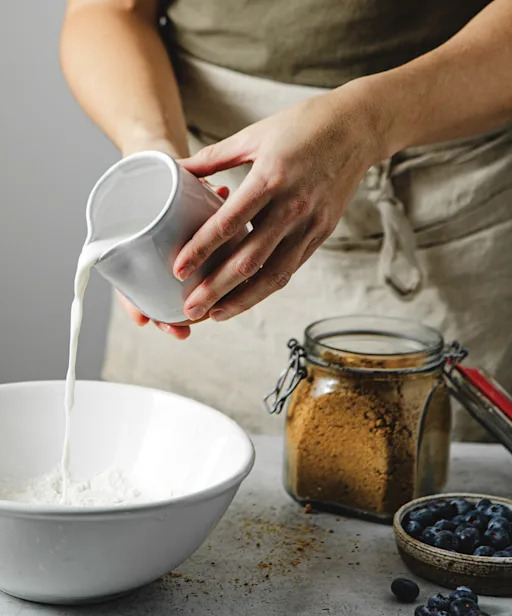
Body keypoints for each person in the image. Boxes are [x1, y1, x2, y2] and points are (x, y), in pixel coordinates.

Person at [60, 0, 512, 438]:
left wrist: (367, 123)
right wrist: (156, 156)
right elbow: (105, 12)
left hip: (448, 221)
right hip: (203, 211)